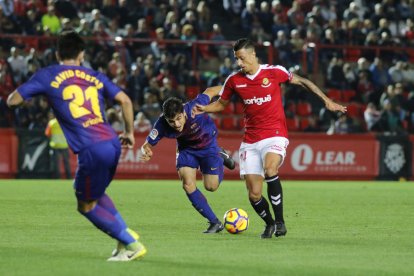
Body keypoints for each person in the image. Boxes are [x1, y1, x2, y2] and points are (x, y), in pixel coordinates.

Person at [7, 30, 146, 261]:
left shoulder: (48, 75)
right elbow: (125, 100)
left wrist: (38, 94)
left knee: (85, 205)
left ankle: (131, 242)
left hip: (91, 148)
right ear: (81, 54)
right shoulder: (95, 76)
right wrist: (129, 133)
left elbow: (13, 100)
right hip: (112, 142)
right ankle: (123, 239)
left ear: (57, 53)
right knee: (96, 193)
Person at [193, 38, 347, 239]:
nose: (239, 63)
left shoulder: (274, 72)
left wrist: (327, 101)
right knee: (254, 194)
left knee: (270, 169)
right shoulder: (234, 80)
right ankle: (270, 224)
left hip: (274, 134)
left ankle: (281, 221)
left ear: (253, 54)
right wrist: (205, 108)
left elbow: (303, 81)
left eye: (241, 58)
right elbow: (222, 104)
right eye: (236, 59)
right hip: (250, 140)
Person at [140, 86, 235, 234]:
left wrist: (230, 86)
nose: (176, 125)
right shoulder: (161, 124)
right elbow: (146, 144)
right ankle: (214, 223)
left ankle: (220, 154)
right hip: (187, 150)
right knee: (187, 184)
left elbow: (210, 91)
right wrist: (146, 150)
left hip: (208, 145)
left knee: (211, 187)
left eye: (178, 119)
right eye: (172, 122)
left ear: (183, 112)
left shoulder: (193, 107)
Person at [45, 111, 71, 179]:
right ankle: (69, 177)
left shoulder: (51, 123)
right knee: (66, 163)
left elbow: (47, 134)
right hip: (64, 145)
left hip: (55, 145)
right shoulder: (65, 123)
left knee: (56, 164)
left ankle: (57, 178)